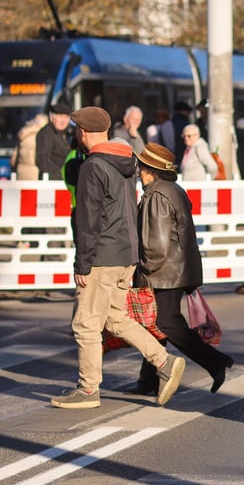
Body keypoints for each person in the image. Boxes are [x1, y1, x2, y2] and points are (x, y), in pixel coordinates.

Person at [50, 106, 185, 410]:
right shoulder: (127, 162)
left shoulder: (92, 166)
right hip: (126, 254)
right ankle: (163, 361)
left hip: (101, 256)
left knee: (85, 324)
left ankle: (87, 390)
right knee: (115, 318)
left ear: (82, 133)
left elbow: (89, 220)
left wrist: (82, 264)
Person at [127, 142, 235, 396]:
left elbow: (157, 245)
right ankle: (148, 381)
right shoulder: (173, 189)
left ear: (149, 170)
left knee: (165, 322)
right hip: (176, 269)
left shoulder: (156, 195)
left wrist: (143, 269)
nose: (138, 173)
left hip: (164, 273)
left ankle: (215, 361)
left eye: (141, 168)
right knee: (156, 323)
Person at [35, 103, 73, 180]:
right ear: (51, 117)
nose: (63, 120)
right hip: (53, 182)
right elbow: (42, 159)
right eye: (60, 116)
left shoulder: (69, 133)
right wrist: (60, 177)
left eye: (66, 117)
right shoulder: (46, 133)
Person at [11, 113, 48, 180]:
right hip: (34, 171)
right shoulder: (42, 136)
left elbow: (13, 159)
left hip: (21, 170)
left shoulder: (24, 134)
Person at [171, 101, 193, 166]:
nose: (189, 114)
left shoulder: (169, 124)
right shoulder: (186, 124)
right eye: (188, 112)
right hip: (184, 154)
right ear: (183, 111)